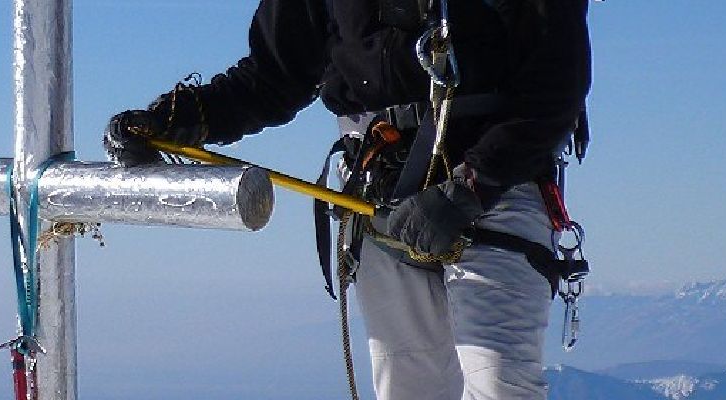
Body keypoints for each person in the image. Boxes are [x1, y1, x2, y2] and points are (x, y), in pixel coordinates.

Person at [103, 0, 591, 399]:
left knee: (499, 384)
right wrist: (176, 119)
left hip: (496, 191)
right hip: (380, 192)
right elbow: (272, 78)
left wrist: (468, 188)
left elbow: (553, 86)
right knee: (410, 386)